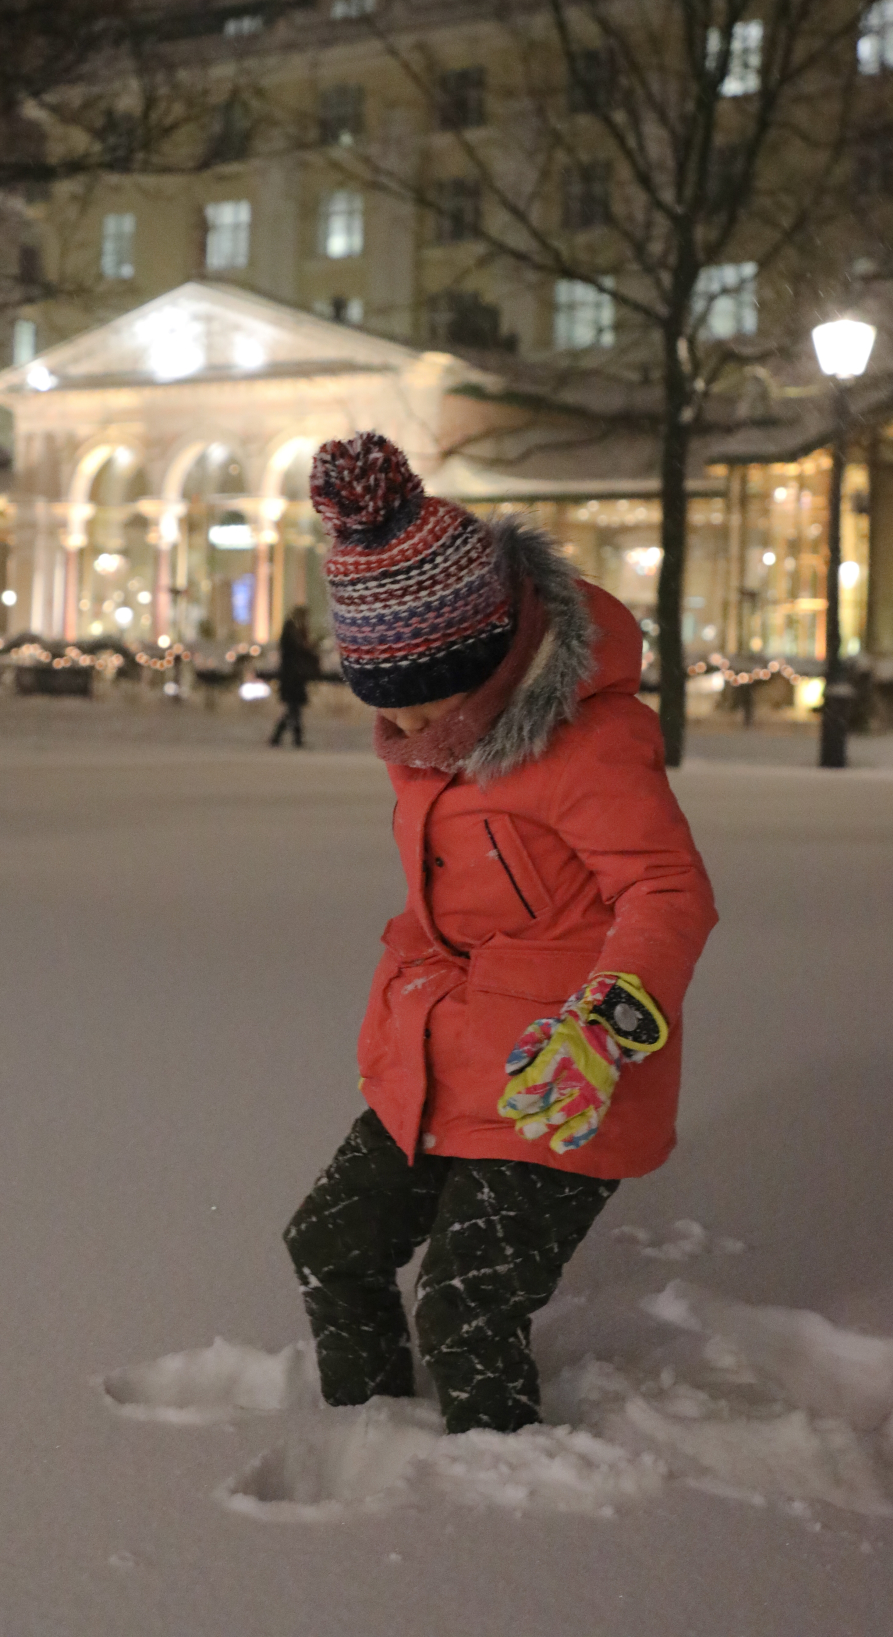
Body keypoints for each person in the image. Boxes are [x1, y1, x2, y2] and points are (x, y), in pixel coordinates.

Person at [284, 432, 717, 1435]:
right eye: (388, 698)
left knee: (466, 1306)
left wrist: (607, 1023)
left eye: (426, 690)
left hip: (562, 1071)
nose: (411, 722)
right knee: (330, 1242)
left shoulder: (589, 742)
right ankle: (368, 1436)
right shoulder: (431, 740)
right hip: (443, 1050)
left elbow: (667, 889)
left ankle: (493, 1508)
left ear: (484, 645)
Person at [269, 603, 320, 748]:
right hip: (292, 676)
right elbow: (298, 650)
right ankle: (291, 738)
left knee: (293, 709)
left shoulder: (295, 630)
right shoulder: (291, 630)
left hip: (295, 676)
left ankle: (280, 737)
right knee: (293, 709)